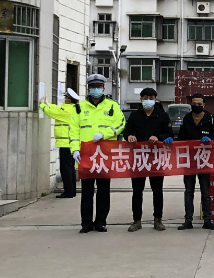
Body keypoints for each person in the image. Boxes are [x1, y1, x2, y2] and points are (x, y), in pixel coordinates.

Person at [69, 74, 125, 233]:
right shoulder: (79, 108)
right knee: (86, 192)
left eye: (98, 87)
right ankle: (86, 223)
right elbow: (73, 131)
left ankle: (101, 221)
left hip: (104, 155)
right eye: (93, 87)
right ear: (88, 89)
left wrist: (105, 134)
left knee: (103, 191)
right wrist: (74, 149)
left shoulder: (112, 106)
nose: (96, 90)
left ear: (103, 88)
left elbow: (121, 123)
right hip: (85, 157)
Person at [123, 87, 174, 232]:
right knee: (137, 191)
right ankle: (136, 220)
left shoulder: (162, 115)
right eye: (145, 98)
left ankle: (158, 220)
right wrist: (129, 136)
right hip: (139, 159)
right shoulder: (135, 115)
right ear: (140, 99)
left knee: (157, 190)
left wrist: (159, 138)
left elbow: (169, 134)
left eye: (151, 98)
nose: (148, 101)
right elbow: (127, 131)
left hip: (156, 158)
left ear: (155, 99)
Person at [177, 93, 214, 231]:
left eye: (199, 104)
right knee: (189, 191)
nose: (196, 106)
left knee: (205, 192)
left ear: (204, 105)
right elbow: (181, 138)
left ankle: (207, 220)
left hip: (204, 160)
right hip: (189, 160)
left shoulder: (211, 118)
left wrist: (210, 140)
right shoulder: (187, 118)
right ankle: (188, 221)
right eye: (194, 103)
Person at [40, 88, 81, 198]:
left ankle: (68, 192)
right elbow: (56, 108)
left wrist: (42, 105)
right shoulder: (72, 108)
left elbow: (51, 112)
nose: (64, 98)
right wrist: (48, 103)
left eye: (66, 97)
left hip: (65, 143)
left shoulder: (66, 110)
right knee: (71, 168)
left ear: (69, 99)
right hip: (71, 143)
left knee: (65, 169)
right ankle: (72, 191)